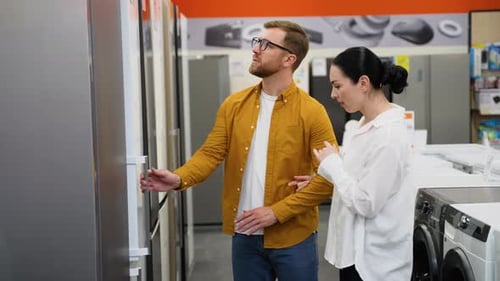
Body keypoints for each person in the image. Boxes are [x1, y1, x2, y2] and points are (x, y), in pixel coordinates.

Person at [140, 20, 337, 281]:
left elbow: (329, 178)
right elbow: (211, 153)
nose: (256, 49)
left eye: (266, 45)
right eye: (257, 42)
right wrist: (179, 178)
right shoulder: (234, 104)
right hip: (245, 237)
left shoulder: (313, 112)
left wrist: (275, 213)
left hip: (294, 237)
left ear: (289, 58)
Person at [297, 46, 414, 281]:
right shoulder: (361, 125)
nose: (332, 94)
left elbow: (367, 203)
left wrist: (333, 166)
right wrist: (324, 178)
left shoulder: (388, 135)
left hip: (375, 264)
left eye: (337, 85)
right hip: (355, 254)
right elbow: (357, 179)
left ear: (363, 83)